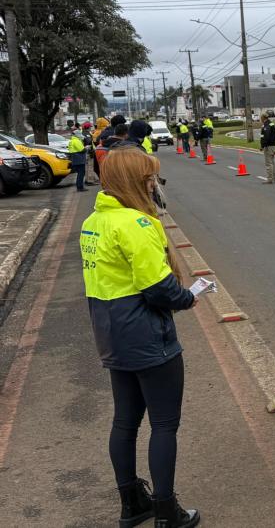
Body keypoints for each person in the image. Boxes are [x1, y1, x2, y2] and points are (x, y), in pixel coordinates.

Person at [79, 146, 200, 528]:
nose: (154, 184)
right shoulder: (138, 224)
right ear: (136, 181)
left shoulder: (94, 222)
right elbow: (159, 289)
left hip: (109, 330)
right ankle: (167, 510)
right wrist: (189, 296)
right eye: (149, 178)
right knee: (164, 424)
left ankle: (132, 503)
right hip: (146, 330)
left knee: (125, 421)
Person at [259, 113, 275, 184]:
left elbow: (266, 137)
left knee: (268, 163)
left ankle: (270, 179)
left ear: (263, 118)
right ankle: (273, 178)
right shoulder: (271, 124)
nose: (260, 119)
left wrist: (262, 146)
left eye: (261, 118)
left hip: (268, 146)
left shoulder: (266, 125)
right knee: (272, 162)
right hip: (273, 145)